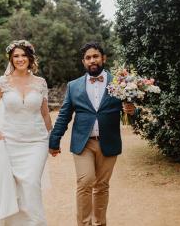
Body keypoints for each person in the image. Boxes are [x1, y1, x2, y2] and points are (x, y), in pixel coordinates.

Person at [49, 42, 135, 226]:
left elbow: (131, 114)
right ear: (83, 62)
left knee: (102, 187)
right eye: (88, 58)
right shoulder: (74, 86)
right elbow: (64, 115)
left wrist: (131, 110)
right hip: (83, 143)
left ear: (103, 58)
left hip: (108, 142)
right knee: (85, 181)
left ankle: (99, 223)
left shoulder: (119, 83)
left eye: (95, 56)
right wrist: (54, 141)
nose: (92, 60)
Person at [0, 40, 52, 226]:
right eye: (16, 56)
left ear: (30, 58)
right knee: (12, 188)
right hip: (10, 142)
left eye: (24, 55)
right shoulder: (2, 83)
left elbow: (45, 114)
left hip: (36, 142)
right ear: (11, 59)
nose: (20, 59)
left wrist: (52, 138)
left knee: (31, 183)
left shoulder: (40, 83)